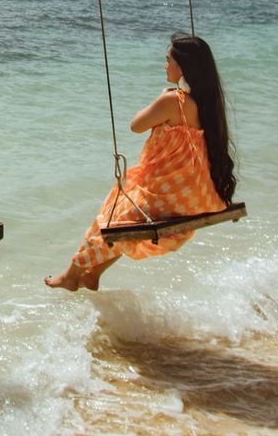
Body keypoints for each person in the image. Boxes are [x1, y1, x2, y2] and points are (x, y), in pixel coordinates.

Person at [45, 32, 237, 291]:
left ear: (182, 66)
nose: (165, 65)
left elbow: (136, 125)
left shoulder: (174, 100)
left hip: (170, 197)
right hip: (196, 195)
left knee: (111, 216)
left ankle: (71, 275)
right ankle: (93, 274)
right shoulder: (208, 104)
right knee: (125, 208)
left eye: (168, 60)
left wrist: (162, 97)